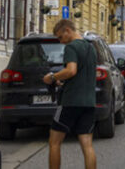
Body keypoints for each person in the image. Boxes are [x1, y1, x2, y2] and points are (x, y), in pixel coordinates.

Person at [43, 19, 97, 169]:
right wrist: (64, 81)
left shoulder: (71, 47)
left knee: (54, 142)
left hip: (70, 102)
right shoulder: (90, 48)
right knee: (87, 145)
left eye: (60, 37)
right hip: (89, 102)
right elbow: (81, 74)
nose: (61, 42)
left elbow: (71, 70)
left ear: (67, 30)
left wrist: (52, 77)